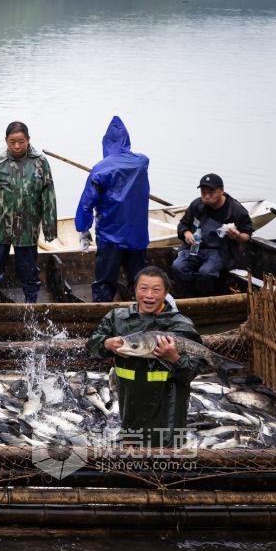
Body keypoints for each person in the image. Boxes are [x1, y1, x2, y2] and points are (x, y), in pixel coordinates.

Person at [85, 266, 202, 448]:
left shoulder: (180, 324)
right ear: (134, 290)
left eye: (156, 290)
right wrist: (106, 343)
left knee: (167, 455)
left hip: (168, 410)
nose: (149, 295)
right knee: (132, 450)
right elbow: (91, 347)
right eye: (143, 288)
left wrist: (174, 358)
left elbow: (192, 371)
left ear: (166, 293)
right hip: (130, 406)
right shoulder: (117, 318)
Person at [0, 121, 57, 303]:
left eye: (21, 142)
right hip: (0, 227)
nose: (17, 146)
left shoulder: (40, 163)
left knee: (28, 271)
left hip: (27, 228)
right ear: (6, 141)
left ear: (28, 140)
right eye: (12, 142)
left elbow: (48, 196)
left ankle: (31, 307)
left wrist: (49, 228)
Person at [75, 116, 151, 302]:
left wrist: (83, 229)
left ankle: (102, 314)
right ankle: (143, 312)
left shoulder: (100, 169)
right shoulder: (141, 163)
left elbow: (86, 203)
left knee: (105, 283)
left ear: (106, 143)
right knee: (139, 282)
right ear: (127, 140)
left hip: (110, 237)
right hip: (137, 237)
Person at [171, 173, 254, 297]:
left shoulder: (235, 210)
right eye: (203, 192)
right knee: (178, 266)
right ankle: (189, 295)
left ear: (221, 191)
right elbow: (183, 225)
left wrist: (237, 236)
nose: (206, 196)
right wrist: (187, 234)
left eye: (211, 192)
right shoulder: (197, 205)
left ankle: (206, 296)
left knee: (206, 272)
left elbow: (247, 235)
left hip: (220, 251)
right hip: (194, 248)